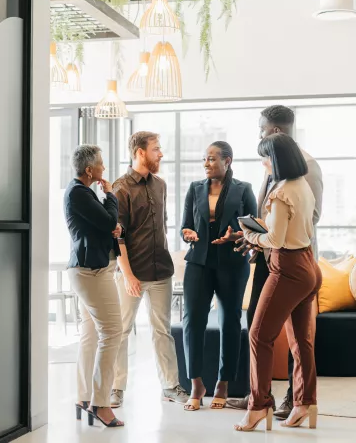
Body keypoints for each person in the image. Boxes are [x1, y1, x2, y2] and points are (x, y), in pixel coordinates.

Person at [227, 105, 323, 419]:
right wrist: (257, 233)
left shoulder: (300, 174)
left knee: (260, 335)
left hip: (287, 260)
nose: (259, 135)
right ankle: (302, 402)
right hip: (291, 260)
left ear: (276, 134)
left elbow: (298, 224)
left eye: (262, 130)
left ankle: (263, 404)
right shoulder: (288, 176)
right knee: (296, 338)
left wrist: (256, 236)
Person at [111, 131, 188, 407]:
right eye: (156, 149)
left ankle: (170, 385)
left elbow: (161, 228)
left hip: (161, 272)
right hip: (132, 273)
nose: (161, 153)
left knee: (162, 330)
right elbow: (116, 236)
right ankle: (116, 388)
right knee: (121, 330)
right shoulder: (120, 188)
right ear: (140, 152)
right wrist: (128, 275)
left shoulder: (161, 185)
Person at [181, 141, 257, 411]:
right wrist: (187, 233)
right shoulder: (194, 188)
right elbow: (185, 226)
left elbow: (255, 229)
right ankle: (196, 383)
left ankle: (223, 382)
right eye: (204, 159)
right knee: (192, 321)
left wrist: (236, 235)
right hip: (198, 263)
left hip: (232, 263)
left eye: (212, 159)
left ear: (228, 161)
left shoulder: (243, 189)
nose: (206, 163)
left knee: (230, 322)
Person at [64, 145, 124, 428]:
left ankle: (83, 396)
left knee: (91, 333)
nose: (103, 168)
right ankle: (100, 403)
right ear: (89, 170)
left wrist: (113, 226)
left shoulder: (83, 193)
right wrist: (111, 194)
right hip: (92, 272)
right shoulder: (79, 192)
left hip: (90, 269)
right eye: (101, 164)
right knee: (112, 332)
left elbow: (105, 225)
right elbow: (109, 220)